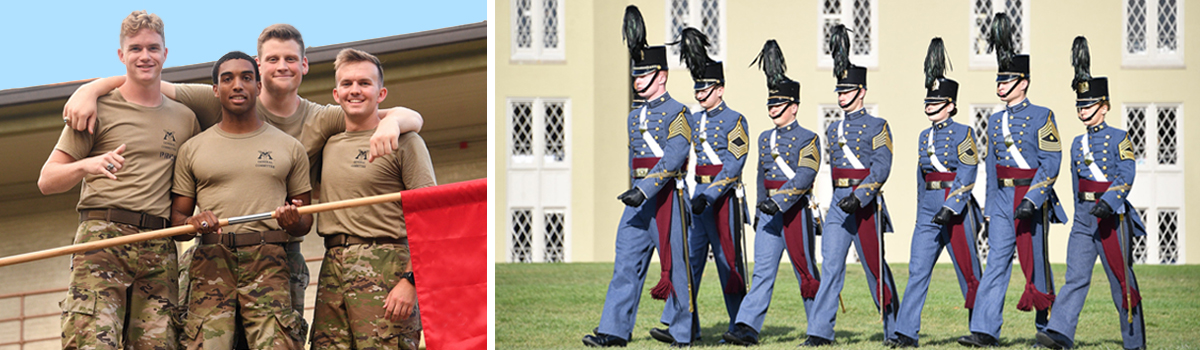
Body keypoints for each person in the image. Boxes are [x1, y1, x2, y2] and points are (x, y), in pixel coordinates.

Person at [63, 24, 425, 344]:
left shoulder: (324, 118)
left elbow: (374, 110)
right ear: (258, 67)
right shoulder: (224, 96)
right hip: (213, 258)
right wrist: (89, 90)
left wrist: (393, 124)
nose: (281, 66)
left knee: (283, 337)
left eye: (290, 58)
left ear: (304, 66)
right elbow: (149, 80)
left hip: (278, 256)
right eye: (271, 59)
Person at [37, 10, 200, 350]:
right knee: (92, 341)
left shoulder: (186, 117)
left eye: (153, 48)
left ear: (165, 54)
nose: (145, 56)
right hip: (102, 238)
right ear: (121, 55)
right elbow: (47, 180)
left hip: (159, 242)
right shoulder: (97, 109)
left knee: (159, 344)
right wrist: (87, 165)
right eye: (136, 48)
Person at [171, 51, 313, 350]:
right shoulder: (192, 149)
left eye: (247, 78)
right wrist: (193, 223)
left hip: (270, 260)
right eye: (228, 79)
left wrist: (293, 220)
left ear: (259, 86)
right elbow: (177, 220)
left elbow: (305, 221)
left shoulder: (290, 147)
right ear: (215, 90)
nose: (238, 85)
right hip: (212, 261)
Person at [309, 48, 437, 350]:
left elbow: (430, 216)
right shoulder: (327, 144)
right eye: (347, 84)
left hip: (387, 265)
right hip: (332, 265)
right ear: (336, 93)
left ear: (381, 93)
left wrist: (410, 281)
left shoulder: (405, 141)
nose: (355, 90)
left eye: (364, 83)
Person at [582, 5, 694, 347]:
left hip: (666, 198)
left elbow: (674, 157)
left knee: (676, 268)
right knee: (625, 264)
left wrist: (643, 190)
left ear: (661, 76)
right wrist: (637, 191)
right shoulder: (635, 117)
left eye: (643, 75)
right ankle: (614, 331)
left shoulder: (679, 113)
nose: (637, 80)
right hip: (637, 200)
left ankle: (680, 332)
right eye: (635, 74)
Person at [958, 13, 1067, 348]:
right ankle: (985, 330)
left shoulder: (1042, 115)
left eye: (1006, 81)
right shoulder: (994, 120)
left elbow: (1051, 162)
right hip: (1003, 200)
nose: (1000, 85)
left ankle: (1046, 329)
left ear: (1023, 82)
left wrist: (1033, 198)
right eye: (998, 80)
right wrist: (990, 209)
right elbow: (990, 166)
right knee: (996, 263)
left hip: (1030, 197)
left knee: (1036, 264)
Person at [1035, 37, 1145, 350]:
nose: (1083, 111)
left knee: (1120, 283)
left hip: (1111, 217)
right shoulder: (1076, 144)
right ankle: (1060, 333)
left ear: (1105, 106)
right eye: (1080, 106)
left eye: (1089, 105)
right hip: (1084, 219)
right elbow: (1074, 184)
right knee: (1075, 277)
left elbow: (1126, 175)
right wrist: (1081, 214)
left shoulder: (1119, 137)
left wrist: (1109, 203)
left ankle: (1134, 343)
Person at [803, 24, 900, 347]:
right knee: (830, 265)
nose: (842, 97)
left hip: (866, 203)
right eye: (839, 92)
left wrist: (860, 196)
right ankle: (820, 332)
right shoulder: (833, 130)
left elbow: (882, 167)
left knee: (875, 268)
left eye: (847, 92)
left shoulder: (877, 126)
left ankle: (895, 329)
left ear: (861, 92)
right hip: (839, 203)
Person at [722, 40, 821, 346]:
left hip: (794, 211)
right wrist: (760, 206)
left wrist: (777, 202)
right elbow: (761, 175)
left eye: (779, 105)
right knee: (763, 272)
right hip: (768, 214)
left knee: (805, 271)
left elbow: (805, 176)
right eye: (770, 104)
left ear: (794, 107)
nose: (773, 110)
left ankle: (819, 329)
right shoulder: (765, 138)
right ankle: (747, 328)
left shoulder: (809, 138)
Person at [653, 26, 748, 345]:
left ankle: (740, 326)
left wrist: (708, 195)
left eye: (706, 89)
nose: (700, 94)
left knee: (729, 266)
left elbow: (734, 164)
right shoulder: (691, 119)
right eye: (697, 89)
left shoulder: (735, 119)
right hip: (694, 200)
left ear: (720, 89)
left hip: (721, 201)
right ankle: (681, 326)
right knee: (687, 264)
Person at [890, 38, 984, 348]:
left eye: (936, 104)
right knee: (917, 269)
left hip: (955, 209)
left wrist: (953, 204)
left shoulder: (964, 133)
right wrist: (922, 213)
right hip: (929, 208)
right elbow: (922, 178)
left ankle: (982, 330)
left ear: (951, 105)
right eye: (928, 104)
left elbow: (968, 172)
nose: (930, 108)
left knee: (969, 272)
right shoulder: (922, 136)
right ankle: (906, 332)